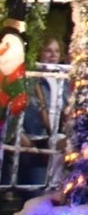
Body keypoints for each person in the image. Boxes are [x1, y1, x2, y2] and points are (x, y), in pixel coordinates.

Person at [19, 36, 71, 187]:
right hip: (35, 137)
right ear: (39, 53)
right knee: (35, 188)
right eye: (48, 51)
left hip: (53, 138)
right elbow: (16, 108)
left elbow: (66, 109)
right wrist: (20, 134)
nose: (53, 55)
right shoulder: (31, 78)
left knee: (54, 187)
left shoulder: (63, 79)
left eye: (56, 51)